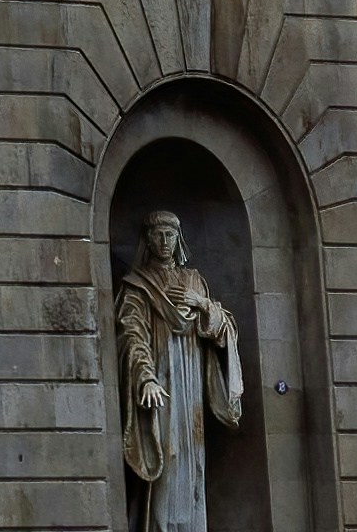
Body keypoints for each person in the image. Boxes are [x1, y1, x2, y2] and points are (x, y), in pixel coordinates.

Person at [117, 203, 248, 532]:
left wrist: (201, 304)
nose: (164, 241)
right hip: (162, 382)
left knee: (193, 460)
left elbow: (224, 328)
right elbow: (132, 334)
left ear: (179, 239)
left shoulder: (194, 280)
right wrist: (145, 378)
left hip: (191, 384)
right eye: (158, 234)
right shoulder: (138, 284)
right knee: (168, 457)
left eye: (170, 235)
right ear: (148, 239)